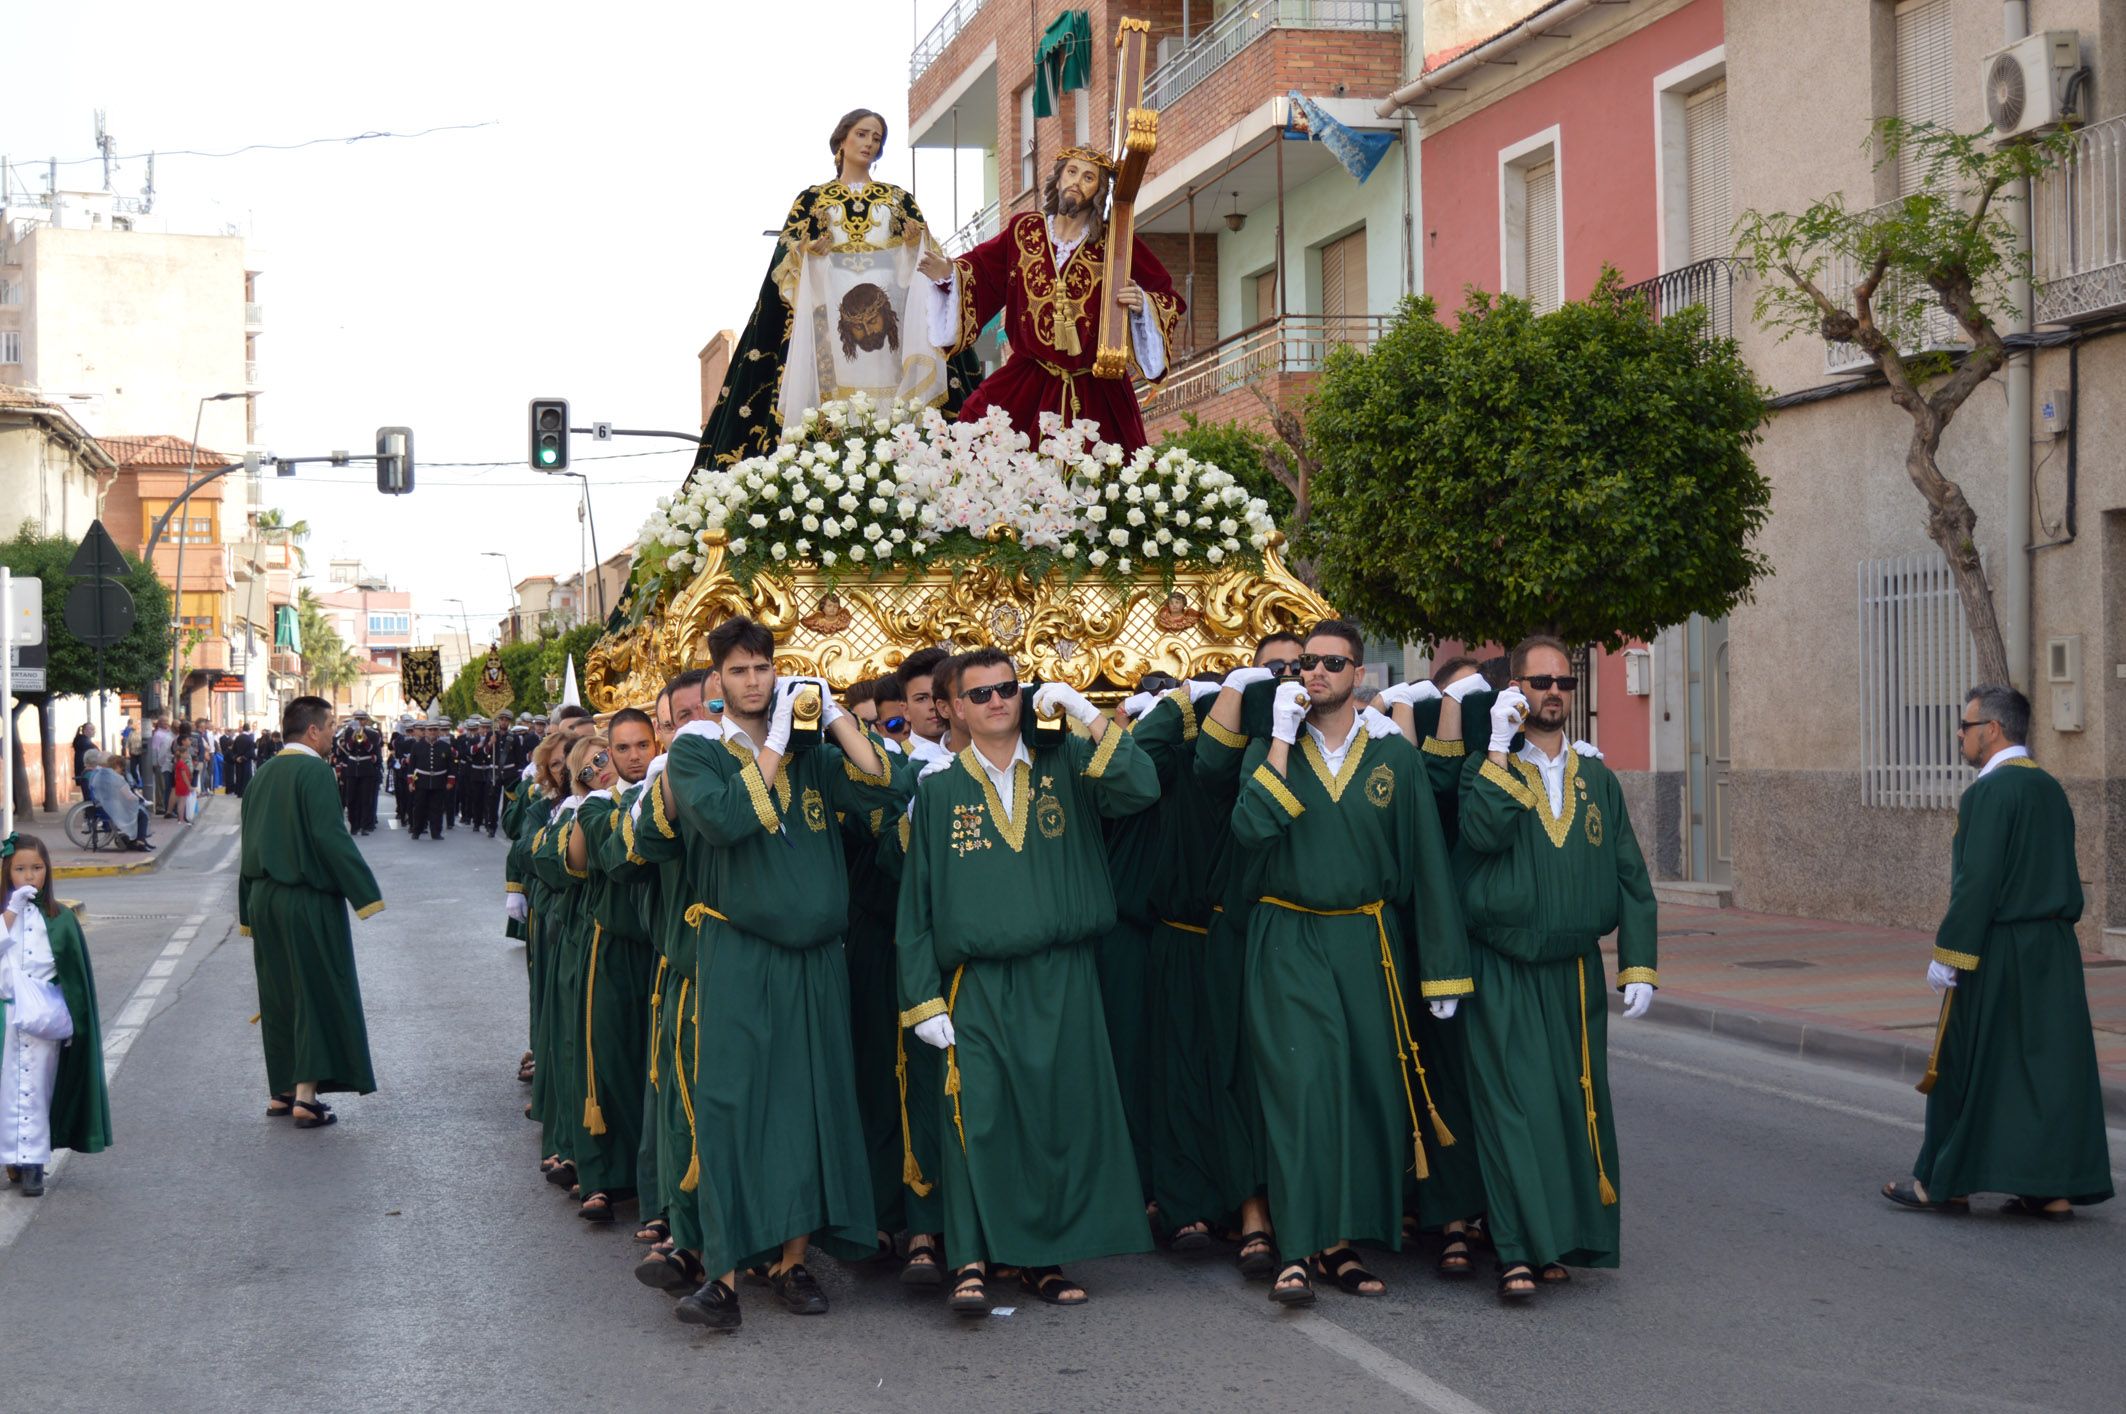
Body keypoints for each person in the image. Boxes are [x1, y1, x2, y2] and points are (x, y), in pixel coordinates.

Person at [658, 615, 911, 1330]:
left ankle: (793, 1263)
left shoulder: (809, 749)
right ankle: (724, 1275)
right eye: (738, 672)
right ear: (717, 680)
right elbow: (730, 822)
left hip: (814, 959)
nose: (753, 682)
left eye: (763, 669)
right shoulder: (696, 752)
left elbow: (884, 784)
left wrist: (832, 720)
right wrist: (771, 745)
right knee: (733, 1106)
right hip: (738, 951)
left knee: (806, 1104)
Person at [897, 647, 1161, 1312]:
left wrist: (1092, 720)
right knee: (975, 1118)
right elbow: (917, 906)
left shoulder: (1066, 762)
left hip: (1062, 973)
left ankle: (1044, 1257)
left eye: (1007, 690)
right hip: (977, 983)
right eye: (979, 694)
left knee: (1053, 1115)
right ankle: (970, 1260)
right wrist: (923, 996)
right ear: (951, 707)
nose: (996, 702)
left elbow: (1141, 788)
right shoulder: (936, 789)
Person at [1212, 622, 1466, 1307]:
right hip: (1286, 936)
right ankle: (1297, 1249)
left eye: (1330, 663)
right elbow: (1249, 830)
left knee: (1357, 1093)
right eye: (1304, 665)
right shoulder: (1273, 749)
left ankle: (1338, 1243)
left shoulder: (1395, 758)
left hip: (1365, 940)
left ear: (1359, 673)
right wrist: (1280, 741)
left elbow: (1426, 869)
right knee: (1299, 1088)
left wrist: (1442, 971)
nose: (1314, 673)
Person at [1457, 635, 1657, 1299]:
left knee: (1573, 1108)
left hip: (1573, 973)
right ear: (1513, 689)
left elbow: (1630, 873)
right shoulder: (1485, 768)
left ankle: (1558, 1242)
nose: (1553, 692)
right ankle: (1515, 1249)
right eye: (1539, 681)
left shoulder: (1596, 776)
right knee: (1511, 1109)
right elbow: (1482, 835)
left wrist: (1639, 964)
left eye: (1564, 682)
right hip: (1503, 967)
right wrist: (1495, 749)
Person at [1882, 684, 2112, 1219]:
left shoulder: (1988, 793)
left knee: (1962, 1059)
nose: (1959, 735)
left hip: (2001, 947)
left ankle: (1944, 1182)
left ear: (1993, 730)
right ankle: (2049, 1190)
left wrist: (1950, 953)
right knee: (2043, 1070)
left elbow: (1977, 882)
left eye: (1965, 726)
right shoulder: (2050, 789)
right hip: (2053, 951)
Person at [683, 108, 979, 482]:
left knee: (891, 404)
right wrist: (809, 252)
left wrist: (911, 244)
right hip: (829, 327)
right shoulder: (812, 200)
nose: (869, 143)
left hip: (891, 328)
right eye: (862, 134)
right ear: (842, 139)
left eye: (876, 138)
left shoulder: (898, 199)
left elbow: (924, 262)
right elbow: (786, 258)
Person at [916, 148, 1185, 451]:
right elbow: (983, 272)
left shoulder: (1115, 243)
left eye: (1088, 177)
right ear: (1057, 179)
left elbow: (1166, 296)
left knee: (1105, 476)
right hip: (1025, 380)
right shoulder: (1024, 230)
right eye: (1071, 172)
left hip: (1094, 389)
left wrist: (1142, 305)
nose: (1076, 182)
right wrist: (948, 274)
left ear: (1099, 189)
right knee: (975, 436)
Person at [238, 696, 387, 1129]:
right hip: (305, 899)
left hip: (264, 898)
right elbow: (329, 838)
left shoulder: (262, 774)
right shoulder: (315, 772)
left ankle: (281, 1092)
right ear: (313, 731)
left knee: (279, 992)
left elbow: (247, 845)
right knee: (313, 992)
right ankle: (306, 1097)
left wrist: (246, 909)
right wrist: (365, 893)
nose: (335, 735)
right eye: (331, 726)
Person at [1, 833, 112, 1197]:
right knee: (6, 1091)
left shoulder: (60, 918)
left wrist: (68, 1018)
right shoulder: (6, 915)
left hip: (41, 1021)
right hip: (5, 1016)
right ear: (7, 872)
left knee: (35, 1089)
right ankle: (9, 1158)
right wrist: (11, 913)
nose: (29, 876)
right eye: (20, 869)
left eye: (36, 868)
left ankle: (33, 1162)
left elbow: (70, 974)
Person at [82, 751, 154, 851]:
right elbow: (129, 797)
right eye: (122, 769)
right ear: (117, 766)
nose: (122, 771)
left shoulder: (98, 774)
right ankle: (141, 842)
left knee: (137, 811)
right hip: (113, 810)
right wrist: (139, 800)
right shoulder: (116, 778)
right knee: (141, 815)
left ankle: (137, 841)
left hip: (101, 808)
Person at [171, 728, 198, 824]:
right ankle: (181, 818)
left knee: (182, 802)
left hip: (182, 783)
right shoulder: (181, 764)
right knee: (182, 802)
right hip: (183, 784)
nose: (188, 754)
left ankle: (182, 818)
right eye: (186, 753)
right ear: (182, 754)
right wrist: (189, 785)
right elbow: (184, 776)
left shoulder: (180, 763)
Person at [227, 722, 257, 798]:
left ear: (243, 729)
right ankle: (246, 793)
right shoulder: (250, 739)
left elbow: (234, 750)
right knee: (246, 777)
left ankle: (239, 793)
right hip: (246, 761)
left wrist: (237, 758)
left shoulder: (237, 738)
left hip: (238, 761)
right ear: (249, 729)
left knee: (239, 776)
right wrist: (244, 757)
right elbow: (251, 751)